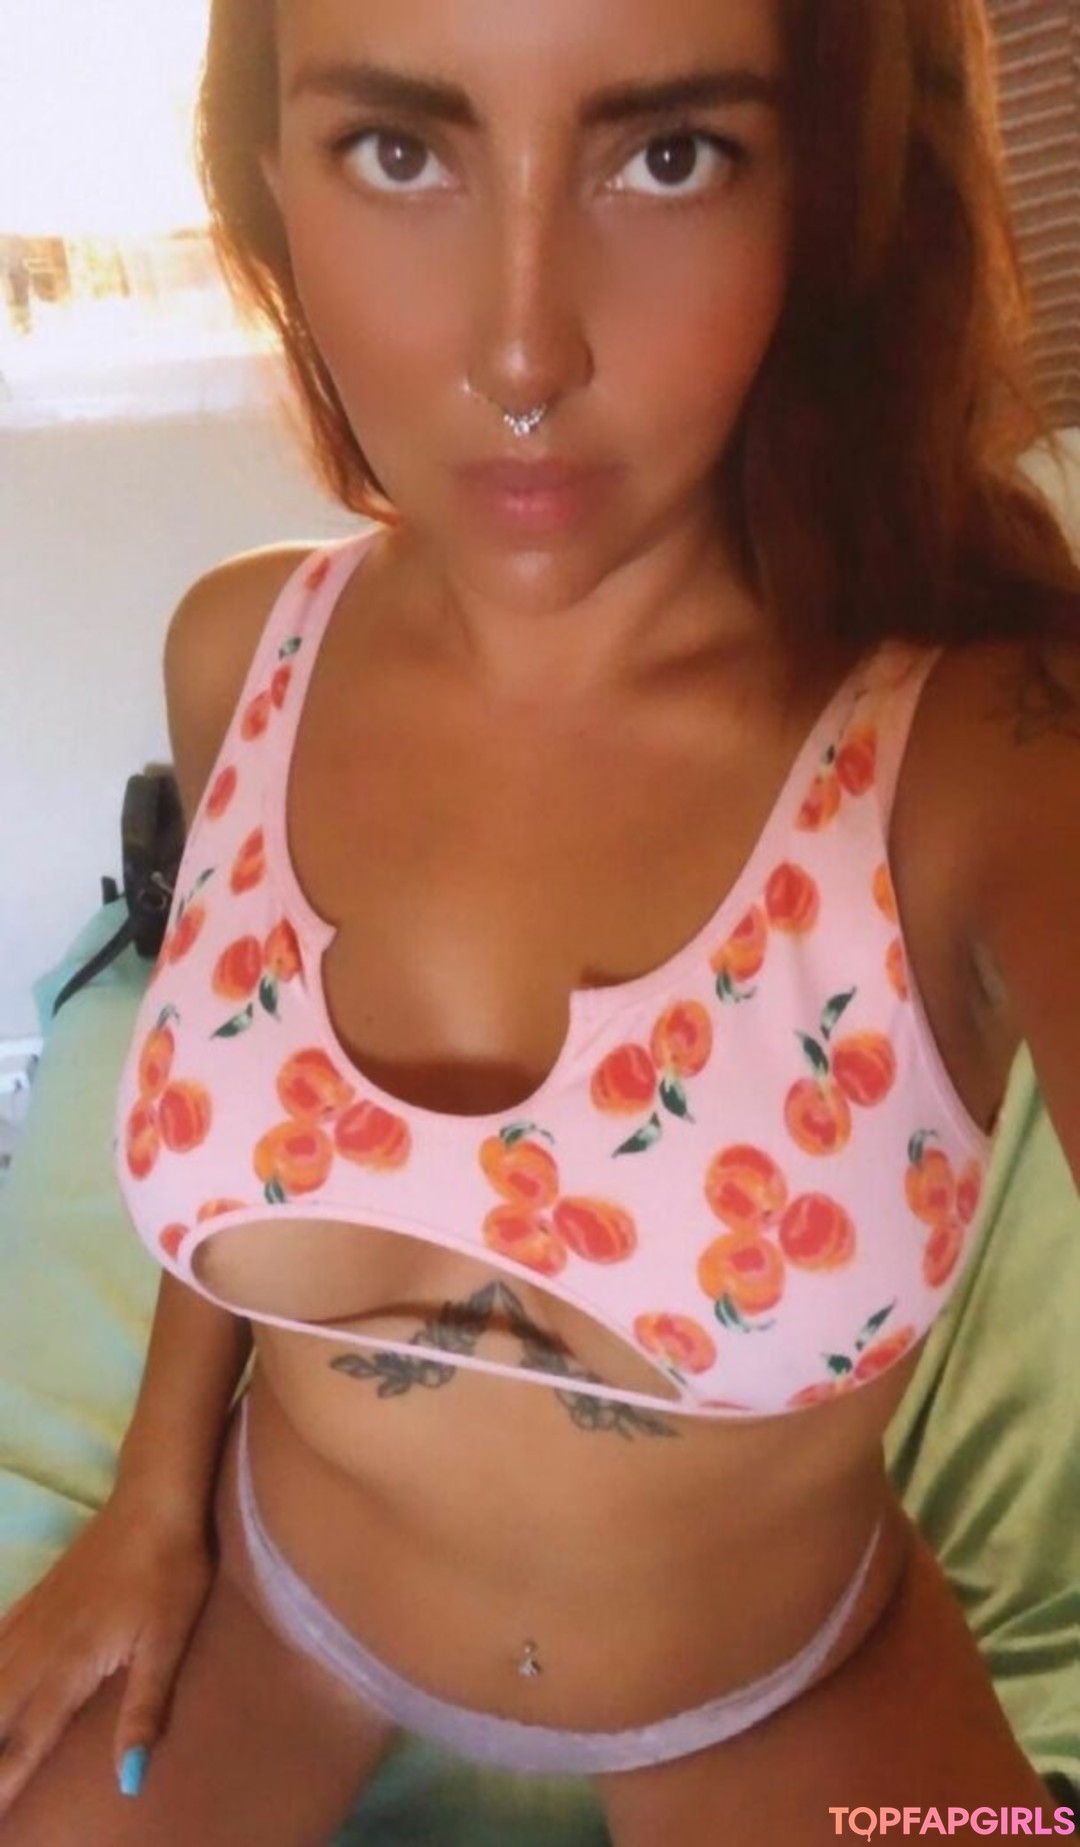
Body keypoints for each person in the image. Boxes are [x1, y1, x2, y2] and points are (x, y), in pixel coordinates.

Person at [1, 0, 1078, 1840]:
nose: (522, 351)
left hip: (784, 1687)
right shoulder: (244, 653)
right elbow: (231, 1093)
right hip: (286, 1600)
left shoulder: (986, 763)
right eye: (399, 150)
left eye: (669, 155)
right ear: (271, 179)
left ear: (825, 194)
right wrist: (153, 1503)